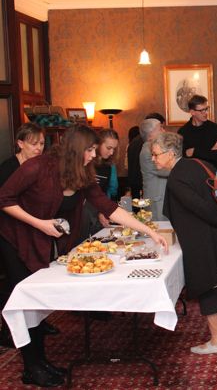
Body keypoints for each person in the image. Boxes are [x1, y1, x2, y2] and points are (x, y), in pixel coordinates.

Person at [0, 124, 168, 387]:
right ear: (76, 148)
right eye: (89, 149)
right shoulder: (38, 167)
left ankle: (39, 362)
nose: (93, 155)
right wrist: (38, 223)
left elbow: (108, 208)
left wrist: (148, 230)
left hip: (43, 237)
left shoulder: (83, 173)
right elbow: (4, 198)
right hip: (15, 237)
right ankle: (31, 367)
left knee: (37, 302)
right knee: (27, 301)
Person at [152, 132, 217, 355]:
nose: (154, 159)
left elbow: (200, 208)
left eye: (156, 155)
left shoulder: (177, 178)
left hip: (203, 243)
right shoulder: (198, 163)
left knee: (209, 289)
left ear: (170, 153)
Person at [0, 123, 48, 347]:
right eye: (33, 143)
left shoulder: (39, 165)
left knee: (34, 277)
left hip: (30, 229)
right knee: (15, 279)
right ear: (20, 144)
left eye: (41, 143)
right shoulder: (8, 168)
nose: (39, 148)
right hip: (8, 231)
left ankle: (37, 322)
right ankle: (10, 330)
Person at [80, 128, 120, 241]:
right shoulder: (86, 163)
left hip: (96, 211)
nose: (111, 152)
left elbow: (103, 192)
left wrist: (101, 211)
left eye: (114, 149)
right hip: (82, 213)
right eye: (108, 148)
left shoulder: (108, 166)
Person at [178, 95, 217, 170]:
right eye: (201, 110)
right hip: (192, 176)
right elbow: (181, 158)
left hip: (212, 175)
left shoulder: (215, 128)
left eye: (206, 109)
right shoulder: (183, 131)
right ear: (192, 112)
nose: (205, 113)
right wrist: (211, 150)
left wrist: (194, 151)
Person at [127, 113, 164, 200]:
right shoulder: (149, 147)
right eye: (160, 128)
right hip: (143, 185)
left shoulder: (134, 142)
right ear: (151, 131)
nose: (163, 131)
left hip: (136, 183)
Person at [139, 118, 169, 221]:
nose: (163, 131)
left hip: (160, 198)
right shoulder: (148, 151)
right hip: (156, 200)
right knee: (160, 230)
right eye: (160, 128)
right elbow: (165, 171)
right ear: (151, 133)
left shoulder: (153, 148)